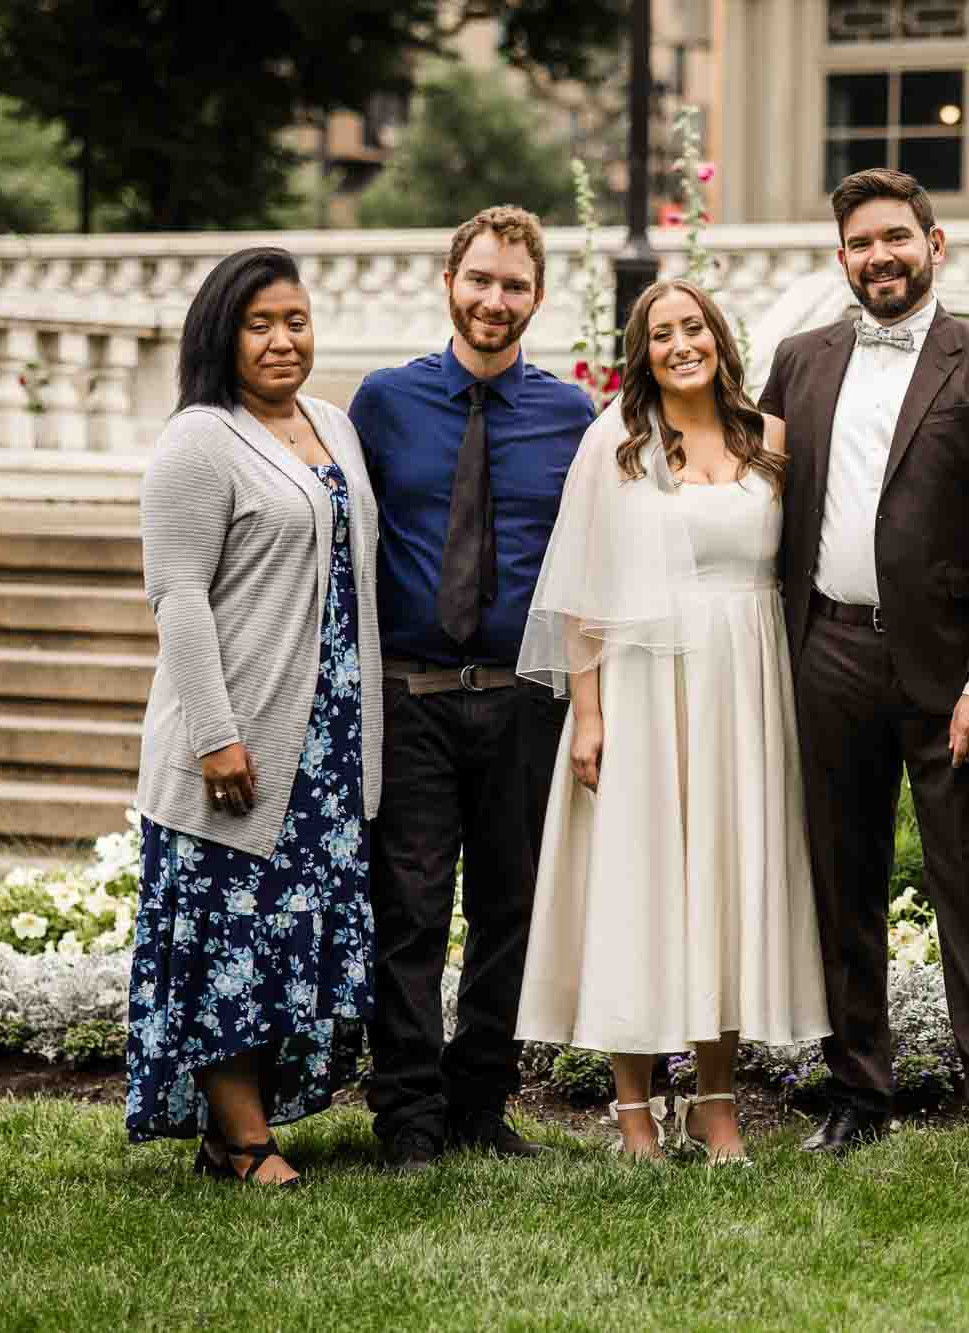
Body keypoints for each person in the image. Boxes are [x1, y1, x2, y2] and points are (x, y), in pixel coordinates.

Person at [759, 168, 969, 1167]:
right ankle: (856, 1091)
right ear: (839, 257)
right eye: (859, 243)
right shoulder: (798, 363)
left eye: (895, 237)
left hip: (948, 671)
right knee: (839, 885)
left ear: (935, 245)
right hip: (826, 654)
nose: (878, 256)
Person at [514, 279, 831, 1162]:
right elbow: (581, 593)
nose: (681, 343)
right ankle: (635, 1114)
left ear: (720, 339)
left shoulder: (770, 440)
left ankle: (717, 1101)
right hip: (647, 684)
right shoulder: (615, 443)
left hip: (748, 682)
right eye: (662, 333)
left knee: (725, 880)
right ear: (642, 351)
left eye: (694, 326)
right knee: (642, 881)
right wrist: (588, 716)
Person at [128, 246, 385, 1188]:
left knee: (288, 929)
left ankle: (243, 1122)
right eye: (260, 323)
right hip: (239, 732)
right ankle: (238, 1140)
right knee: (228, 932)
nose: (283, 340)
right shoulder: (199, 439)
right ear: (222, 335)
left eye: (296, 321)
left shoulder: (331, 424)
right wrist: (214, 733)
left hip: (328, 733)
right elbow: (178, 595)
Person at [348, 207, 595, 1173]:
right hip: (411, 697)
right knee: (406, 909)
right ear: (449, 278)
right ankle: (407, 1115)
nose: (496, 301)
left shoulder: (571, 415)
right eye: (481, 280)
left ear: (538, 297)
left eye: (516, 287)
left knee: (512, 909)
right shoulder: (382, 404)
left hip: (524, 699)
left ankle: (480, 1102)